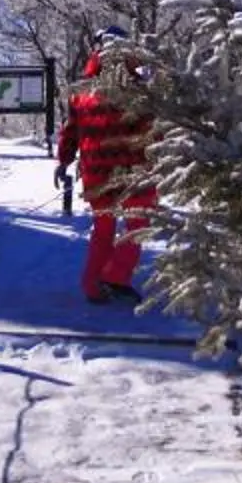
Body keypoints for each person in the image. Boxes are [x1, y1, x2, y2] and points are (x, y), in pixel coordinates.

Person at [54, 28, 154, 305]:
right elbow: (152, 129)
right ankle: (116, 276)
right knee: (138, 225)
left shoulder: (83, 91)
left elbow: (70, 130)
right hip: (134, 170)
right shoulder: (138, 88)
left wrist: (63, 160)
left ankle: (93, 286)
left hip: (96, 172)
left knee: (104, 227)